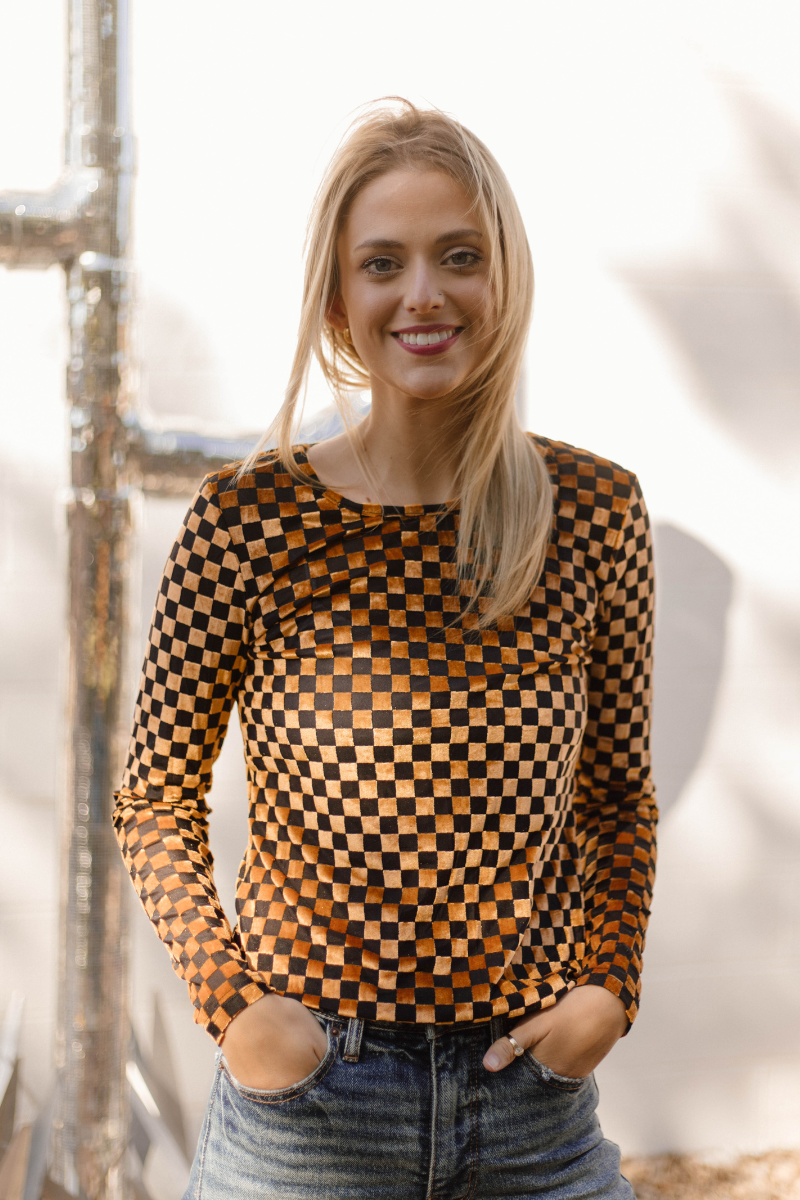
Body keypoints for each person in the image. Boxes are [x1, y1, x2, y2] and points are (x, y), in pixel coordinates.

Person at [113, 99, 657, 1200]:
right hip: (308, 1111)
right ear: (337, 299)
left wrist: (608, 991)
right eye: (382, 263)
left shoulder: (594, 512)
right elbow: (153, 802)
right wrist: (238, 1012)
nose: (423, 293)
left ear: (504, 279)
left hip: (530, 1108)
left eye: (459, 255)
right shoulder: (251, 520)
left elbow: (614, 797)